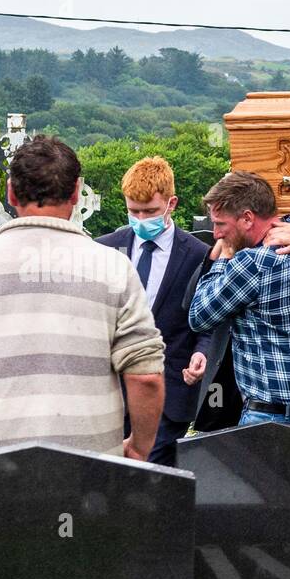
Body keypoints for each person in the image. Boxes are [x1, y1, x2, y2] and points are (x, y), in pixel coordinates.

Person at [0, 135, 165, 458]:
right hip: (89, 464)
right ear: (76, 193)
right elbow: (146, 375)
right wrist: (140, 446)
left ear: (10, 192)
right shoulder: (113, 267)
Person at [189, 171, 290, 434]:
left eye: (221, 224)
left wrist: (223, 259)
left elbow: (199, 315)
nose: (216, 234)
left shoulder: (252, 264)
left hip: (271, 418)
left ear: (247, 218)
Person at [97, 156, 214, 465]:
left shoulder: (198, 255)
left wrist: (201, 351)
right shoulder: (106, 249)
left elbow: (206, 318)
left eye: (149, 211)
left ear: (171, 203)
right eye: (133, 211)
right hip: (111, 391)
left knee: (150, 479)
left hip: (170, 390)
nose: (140, 219)